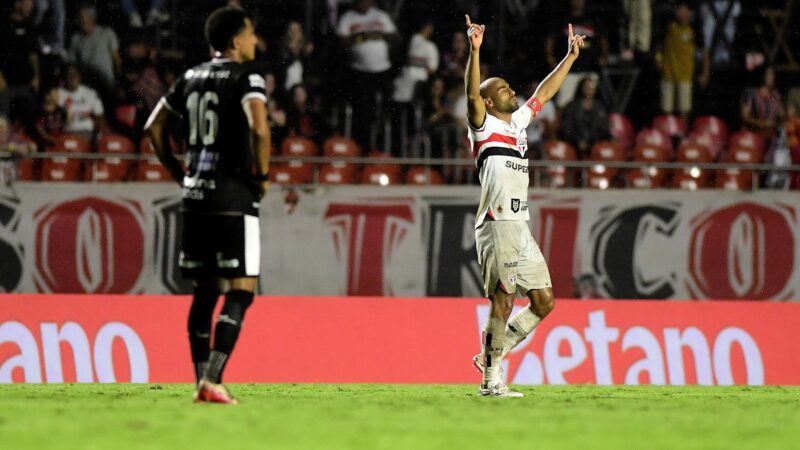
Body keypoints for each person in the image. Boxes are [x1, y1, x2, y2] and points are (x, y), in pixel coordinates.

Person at [144, 6, 271, 404]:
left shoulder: (190, 76)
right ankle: (213, 379)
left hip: (195, 197)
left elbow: (153, 127)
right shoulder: (247, 76)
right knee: (241, 289)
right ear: (235, 40)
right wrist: (262, 177)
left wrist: (178, 172)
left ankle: (201, 380)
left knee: (204, 293)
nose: (255, 41)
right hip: (234, 196)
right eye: (251, 34)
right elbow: (260, 127)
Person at [464, 15, 585, 397]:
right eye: (502, 89)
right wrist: (475, 51)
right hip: (497, 223)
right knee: (503, 300)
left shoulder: (517, 124)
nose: (510, 91)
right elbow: (470, 96)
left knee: (544, 301)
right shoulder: (482, 126)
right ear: (488, 101)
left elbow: (544, 94)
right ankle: (490, 381)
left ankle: (491, 355)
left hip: (521, 224)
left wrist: (569, 57)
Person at [336, 0, 398, 152]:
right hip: (359, 71)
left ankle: (385, 147)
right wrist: (365, 36)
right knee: (363, 111)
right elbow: (342, 42)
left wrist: (375, 35)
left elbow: (394, 37)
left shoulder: (380, 15)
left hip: (383, 70)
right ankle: (362, 147)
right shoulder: (348, 17)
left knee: (387, 109)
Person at [544, 0, 607, 108]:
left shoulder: (592, 19)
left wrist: (604, 57)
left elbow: (603, 40)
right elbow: (550, 40)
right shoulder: (563, 19)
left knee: (591, 103)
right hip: (568, 71)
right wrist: (551, 60)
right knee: (563, 103)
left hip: (590, 69)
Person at [657, 2, 709, 122]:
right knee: (667, 108)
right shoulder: (669, 26)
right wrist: (658, 58)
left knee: (684, 109)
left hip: (685, 74)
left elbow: (704, 52)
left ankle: (683, 133)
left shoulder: (694, 30)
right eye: (679, 10)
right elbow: (660, 44)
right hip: (668, 73)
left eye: (684, 10)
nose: (681, 13)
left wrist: (705, 73)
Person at [68, 4, 122, 102]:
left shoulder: (107, 33)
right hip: (86, 87)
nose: (79, 21)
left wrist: (119, 83)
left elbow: (117, 60)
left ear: (92, 17)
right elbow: (72, 64)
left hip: (107, 85)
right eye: (78, 18)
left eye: (82, 17)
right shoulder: (75, 39)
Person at [0, 0, 40, 133]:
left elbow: (33, 55)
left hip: (26, 84)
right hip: (6, 84)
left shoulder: (30, 26)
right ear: (17, 4)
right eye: (28, 3)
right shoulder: (3, 25)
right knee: (3, 122)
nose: (31, 7)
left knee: (29, 122)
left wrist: (36, 77)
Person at [559, 76, 610, 157]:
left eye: (592, 86)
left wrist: (595, 141)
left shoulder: (600, 107)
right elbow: (566, 128)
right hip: (574, 145)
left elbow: (604, 128)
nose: (590, 89)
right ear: (581, 87)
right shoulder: (571, 106)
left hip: (597, 145)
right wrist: (577, 141)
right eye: (587, 86)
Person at [57, 63, 107, 140]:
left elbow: (100, 117)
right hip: (66, 133)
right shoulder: (57, 94)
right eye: (69, 74)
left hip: (87, 132)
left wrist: (98, 135)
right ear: (64, 78)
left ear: (79, 76)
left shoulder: (90, 93)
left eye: (75, 74)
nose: (72, 77)